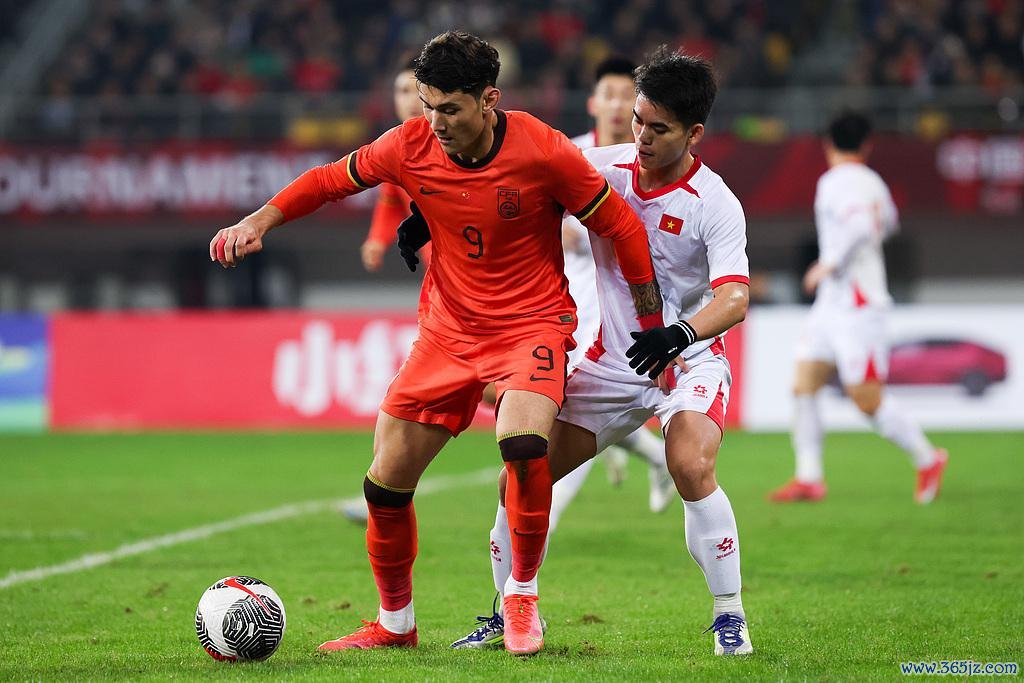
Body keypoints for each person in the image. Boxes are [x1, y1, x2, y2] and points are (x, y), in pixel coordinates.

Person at [210, 31, 664, 657]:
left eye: (450, 109)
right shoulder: (410, 143)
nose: (436, 123)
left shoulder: (543, 148)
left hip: (531, 325)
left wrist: (649, 325)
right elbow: (329, 180)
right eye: (428, 106)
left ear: (489, 99)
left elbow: (621, 225)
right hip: (447, 333)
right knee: (384, 484)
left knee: (524, 445)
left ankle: (520, 597)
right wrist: (258, 219)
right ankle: (395, 624)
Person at [454, 48, 755, 656]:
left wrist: (678, 335)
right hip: (613, 362)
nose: (640, 136)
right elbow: (509, 171)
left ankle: (729, 614)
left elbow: (735, 298)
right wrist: (427, 213)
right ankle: (508, 611)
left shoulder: (715, 203)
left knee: (690, 466)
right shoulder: (601, 166)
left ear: (694, 133)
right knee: (520, 478)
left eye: (658, 128)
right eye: (638, 120)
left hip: (687, 360)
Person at [769, 112, 948, 505]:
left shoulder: (835, 181)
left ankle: (928, 457)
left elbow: (861, 226)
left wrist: (829, 263)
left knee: (866, 399)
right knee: (804, 385)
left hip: (858, 306)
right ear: (867, 145)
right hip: (834, 304)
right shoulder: (874, 183)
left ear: (828, 144)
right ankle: (809, 478)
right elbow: (887, 224)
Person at [359, 58, 427, 273]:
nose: (412, 101)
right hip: (440, 277)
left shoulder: (458, 145)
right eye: (404, 91)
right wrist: (377, 239)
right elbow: (391, 201)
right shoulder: (395, 152)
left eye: (419, 91)